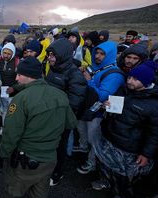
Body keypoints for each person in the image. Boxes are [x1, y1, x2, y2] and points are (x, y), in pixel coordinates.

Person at [0, 57, 78, 198]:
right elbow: (71, 123)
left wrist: (3, 153)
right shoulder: (60, 95)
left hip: (25, 161)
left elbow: (11, 134)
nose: (16, 77)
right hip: (49, 159)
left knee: (14, 191)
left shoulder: (21, 99)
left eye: (19, 74)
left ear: (29, 76)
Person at [94, 61, 158, 197]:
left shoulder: (153, 104)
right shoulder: (124, 89)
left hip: (129, 148)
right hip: (111, 138)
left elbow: (154, 133)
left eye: (135, 79)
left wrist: (146, 154)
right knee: (107, 166)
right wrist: (107, 106)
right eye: (129, 77)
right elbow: (114, 109)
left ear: (146, 82)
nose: (130, 81)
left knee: (124, 177)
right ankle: (107, 182)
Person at [76, 41, 126, 174]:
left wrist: (88, 80)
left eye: (102, 54)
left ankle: (91, 163)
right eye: (96, 53)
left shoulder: (114, 75)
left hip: (98, 113)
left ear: (110, 55)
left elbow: (102, 95)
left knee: (94, 140)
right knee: (82, 131)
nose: (98, 56)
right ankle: (83, 148)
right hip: (88, 108)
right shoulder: (99, 67)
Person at [44, 38, 87, 186]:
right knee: (50, 145)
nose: (49, 58)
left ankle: (57, 173)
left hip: (62, 121)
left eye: (52, 55)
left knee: (59, 146)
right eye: (49, 54)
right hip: (49, 116)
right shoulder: (54, 69)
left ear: (62, 55)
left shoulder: (75, 75)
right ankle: (49, 167)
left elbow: (74, 104)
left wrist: (59, 119)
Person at [0, 42, 20, 135]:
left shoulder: (17, 62)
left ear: (13, 53)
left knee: (13, 112)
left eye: (9, 54)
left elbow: (20, 80)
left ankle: (13, 131)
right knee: (4, 110)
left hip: (13, 93)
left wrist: (14, 88)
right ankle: (4, 128)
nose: (6, 55)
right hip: (2, 92)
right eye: (4, 53)